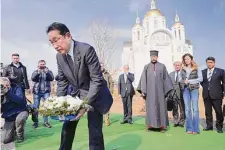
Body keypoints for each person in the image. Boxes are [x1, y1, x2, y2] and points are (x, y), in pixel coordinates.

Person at [46, 22, 113, 150]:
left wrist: (85, 104)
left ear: (68, 36)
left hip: (95, 94)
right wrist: (60, 103)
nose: (55, 46)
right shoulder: (59, 57)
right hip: (75, 96)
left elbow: (96, 80)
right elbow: (62, 81)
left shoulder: (86, 50)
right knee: (67, 126)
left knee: (94, 131)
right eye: (51, 42)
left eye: (56, 40)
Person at [137, 50, 173, 132]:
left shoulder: (162, 66)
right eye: (152, 56)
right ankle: (150, 126)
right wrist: (143, 90)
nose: (153, 58)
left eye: (155, 56)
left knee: (161, 107)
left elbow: (166, 78)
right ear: (150, 57)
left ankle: (162, 126)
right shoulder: (146, 67)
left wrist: (166, 90)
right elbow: (143, 79)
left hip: (160, 92)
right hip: (149, 92)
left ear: (157, 57)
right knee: (150, 107)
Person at [201, 57, 225, 133]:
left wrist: (223, 92)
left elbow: (224, 83)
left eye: (211, 62)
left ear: (214, 63)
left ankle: (219, 127)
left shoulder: (221, 71)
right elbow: (202, 82)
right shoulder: (203, 72)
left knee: (218, 112)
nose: (209, 64)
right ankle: (209, 126)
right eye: (208, 62)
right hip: (206, 95)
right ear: (206, 63)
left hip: (217, 94)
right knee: (208, 112)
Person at [1, 77, 28, 143]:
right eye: (2, 85)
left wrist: (8, 93)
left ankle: (20, 135)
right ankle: (14, 129)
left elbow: (21, 101)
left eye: (7, 85)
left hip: (20, 111)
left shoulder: (17, 88)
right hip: (9, 116)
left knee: (20, 119)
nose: (5, 87)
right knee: (5, 140)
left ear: (10, 83)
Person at [180, 53, 203, 135]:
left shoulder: (197, 68)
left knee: (195, 109)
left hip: (194, 89)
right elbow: (180, 79)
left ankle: (196, 129)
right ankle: (189, 128)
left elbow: (200, 79)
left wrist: (189, 81)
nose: (186, 60)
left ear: (191, 59)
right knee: (187, 109)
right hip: (185, 90)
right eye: (185, 59)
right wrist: (183, 83)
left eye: (188, 59)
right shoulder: (182, 69)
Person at [31, 60, 54, 128]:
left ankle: (46, 122)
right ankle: (35, 122)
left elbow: (52, 78)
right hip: (37, 92)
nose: (42, 65)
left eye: (43, 64)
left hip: (46, 92)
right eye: (41, 64)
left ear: (45, 64)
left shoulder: (49, 71)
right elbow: (33, 79)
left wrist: (47, 72)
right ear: (38, 65)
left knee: (46, 107)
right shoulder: (35, 71)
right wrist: (38, 72)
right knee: (35, 108)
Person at [169, 61, 185, 127]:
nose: (177, 66)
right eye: (176, 65)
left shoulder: (184, 74)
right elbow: (168, 84)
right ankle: (175, 121)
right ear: (174, 66)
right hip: (173, 94)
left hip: (181, 94)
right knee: (174, 108)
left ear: (181, 66)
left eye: (178, 65)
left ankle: (181, 122)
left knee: (182, 109)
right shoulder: (170, 74)